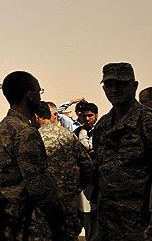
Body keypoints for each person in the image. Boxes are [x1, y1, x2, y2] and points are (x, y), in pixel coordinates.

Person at [0, 71, 65, 239]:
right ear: (29, 95)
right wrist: (59, 214)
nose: (40, 98)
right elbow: (38, 185)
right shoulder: (25, 132)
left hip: (4, 222)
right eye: (39, 92)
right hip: (27, 226)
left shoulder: (1, 129)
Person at [92, 62, 152, 240]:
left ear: (134, 86)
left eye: (121, 84)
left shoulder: (147, 122)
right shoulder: (102, 126)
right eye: (109, 85)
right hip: (108, 224)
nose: (114, 89)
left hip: (140, 225)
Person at [35, 101, 93, 240]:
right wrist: (79, 187)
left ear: (36, 116)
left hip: (44, 205)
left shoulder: (33, 137)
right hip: (68, 202)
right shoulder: (68, 135)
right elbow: (87, 165)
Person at [74, 102, 100, 241]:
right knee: (85, 213)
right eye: (85, 116)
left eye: (90, 115)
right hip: (84, 179)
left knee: (96, 212)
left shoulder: (102, 130)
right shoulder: (78, 132)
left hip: (98, 178)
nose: (87, 119)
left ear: (96, 115)